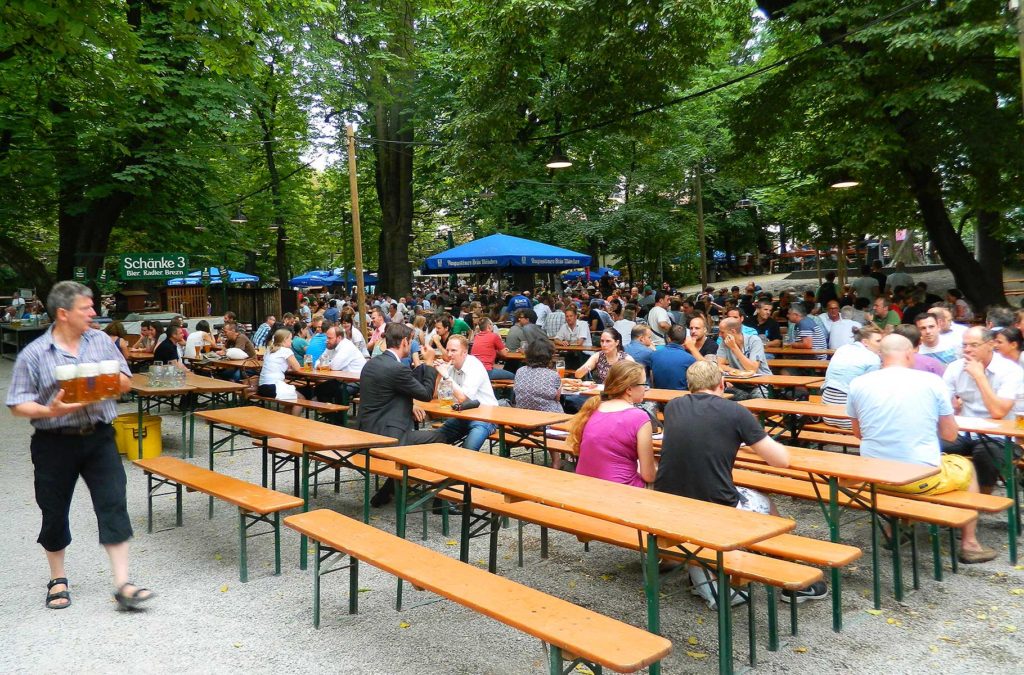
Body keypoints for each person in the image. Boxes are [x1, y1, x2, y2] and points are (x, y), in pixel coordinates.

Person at [6, 281, 152, 610]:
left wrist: (109, 382)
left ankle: (123, 584)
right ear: (63, 313)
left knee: (113, 503)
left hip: (100, 436)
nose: (93, 313)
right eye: (86, 308)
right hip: (53, 442)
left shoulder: (100, 341)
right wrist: (49, 410)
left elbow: (127, 381)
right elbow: (17, 404)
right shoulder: (34, 353)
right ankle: (58, 579)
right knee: (54, 510)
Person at [656, 361, 824, 606]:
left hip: (670, 501)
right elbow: (780, 460)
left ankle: (703, 577)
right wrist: (753, 440)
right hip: (714, 502)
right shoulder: (735, 412)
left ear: (689, 387)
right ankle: (792, 577)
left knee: (734, 492)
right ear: (722, 384)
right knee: (766, 503)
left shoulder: (673, 407)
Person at [846, 334, 997, 564]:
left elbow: (858, 433)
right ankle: (970, 543)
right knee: (966, 466)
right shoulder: (931, 382)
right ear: (910, 353)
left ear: (881, 355)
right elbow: (950, 434)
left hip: (874, 477)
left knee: (895, 462)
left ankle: (893, 530)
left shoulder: (858, 383)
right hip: (919, 479)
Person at [359, 323, 446, 507]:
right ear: (405, 342)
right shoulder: (397, 369)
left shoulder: (372, 364)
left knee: (425, 437)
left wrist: (410, 404)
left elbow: (392, 389)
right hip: (388, 436)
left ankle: (388, 490)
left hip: (366, 431)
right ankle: (439, 499)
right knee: (441, 437)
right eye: (412, 341)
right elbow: (425, 394)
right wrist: (429, 363)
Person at [942, 326, 1024, 493]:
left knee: (985, 454)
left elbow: (998, 412)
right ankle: (940, 496)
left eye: (974, 345)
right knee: (932, 444)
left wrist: (980, 377)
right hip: (965, 432)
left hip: (1001, 436)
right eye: (964, 345)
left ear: (991, 344)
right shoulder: (955, 367)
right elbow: (942, 402)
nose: (967, 350)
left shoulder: (1010, 371)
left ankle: (980, 500)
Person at [568, 361, 655, 488]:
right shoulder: (639, 417)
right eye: (644, 384)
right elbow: (648, 475)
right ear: (629, 389)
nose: (646, 388)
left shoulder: (592, 409)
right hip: (620, 492)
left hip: (584, 487)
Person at [435, 335, 498, 451]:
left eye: (453, 351)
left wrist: (446, 375)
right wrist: (439, 373)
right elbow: (434, 396)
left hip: (485, 417)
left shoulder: (474, 366)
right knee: (434, 441)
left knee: (468, 449)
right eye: (448, 350)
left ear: (465, 353)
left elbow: (464, 399)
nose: (449, 354)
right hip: (462, 416)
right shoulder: (450, 368)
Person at [513, 339, 566, 468]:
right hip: (547, 423)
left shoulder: (520, 371)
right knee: (560, 412)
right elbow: (558, 398)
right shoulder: (552, 375)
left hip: (523, 421)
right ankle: (557, 460)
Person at [820, 324, 883, 428]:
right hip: (848, 419)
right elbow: (872, 392)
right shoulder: (872, 358)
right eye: (878, 341)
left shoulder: (842, 349)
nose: (882, 344)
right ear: (865, 342)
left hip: (827, 413)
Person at [257, 329, 307, 413]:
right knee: (300, 399)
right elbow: (297, 368)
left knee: (290, 402)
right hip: (273, 387)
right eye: (290, 339)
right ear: (284, 340)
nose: (292, 341)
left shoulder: (269, 350)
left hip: (262, 387)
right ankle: (294, 424)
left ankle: (285, 422)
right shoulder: (286, 351)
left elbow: (279, 365)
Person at [650, 325, 697, 391]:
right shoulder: (690, 359)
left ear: (668, 338)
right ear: (685, 340)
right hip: (681, 397)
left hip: (659, 396)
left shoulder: (654, 355)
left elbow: (652, 378)